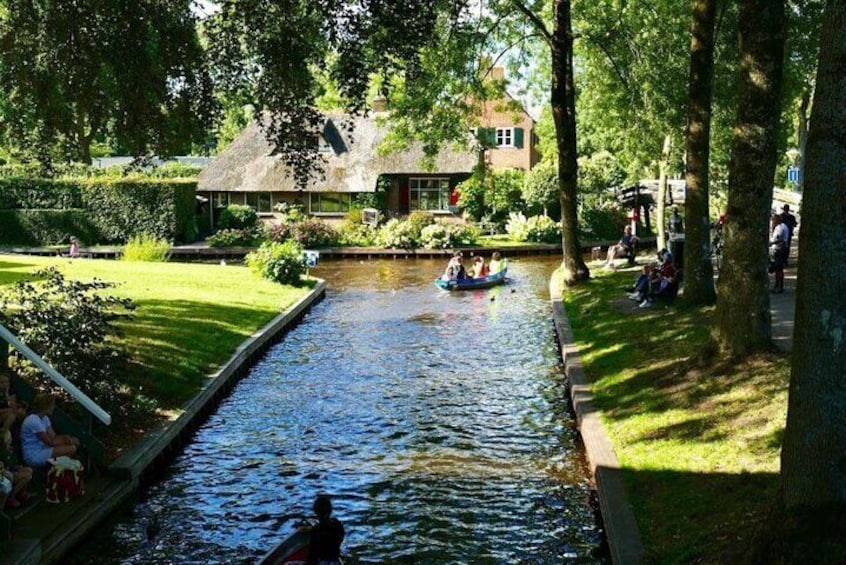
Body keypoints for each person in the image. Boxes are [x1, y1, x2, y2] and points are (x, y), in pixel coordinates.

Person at [20, 393, 80, 468]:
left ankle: (57, 471)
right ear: (45, 406)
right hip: (33, 455)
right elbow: (50, 442)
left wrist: (66, 437)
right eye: (52, 405)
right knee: (71, 449)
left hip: (43, 449)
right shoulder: (33, 420)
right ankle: (56, 472)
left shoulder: (44, 418)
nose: (53, 407)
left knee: (71, 445)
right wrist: (68, 440)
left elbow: (53, 436)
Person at [306, 494, 345, 565]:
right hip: (335, 561)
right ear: (330, 510)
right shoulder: (337, 524)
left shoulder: (316, 531)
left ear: (316, 512)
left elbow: (312, 557)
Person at [0, 430, 33, 510]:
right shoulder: (1, 452)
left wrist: (18, 467)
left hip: (12, 471)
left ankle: (21, 493)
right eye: (9, 437)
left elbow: (14, 463)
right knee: (28, 476)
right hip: (7, 474)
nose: (10, 438)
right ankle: (11, 496)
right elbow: (5, 467)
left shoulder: (11, 449)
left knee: (29, 470)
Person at [0, 368, 25, 433]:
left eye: (7, 382)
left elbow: (13, 407)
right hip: (3, 414)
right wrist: (8, 410)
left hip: (9, 413)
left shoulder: (11, 392)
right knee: (12, 416)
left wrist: (7, 395)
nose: (5, 384)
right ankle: (3, 434)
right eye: (2, 382)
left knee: (21, 412)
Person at [769, 214, 789, 294]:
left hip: (780, 249)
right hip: (779, 249)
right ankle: (777, 285)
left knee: (778, 269)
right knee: (778, 269)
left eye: (773, 220)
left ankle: (779, 286)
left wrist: (771, 243)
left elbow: (781, 239)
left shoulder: (780, 227)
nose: (772, 222)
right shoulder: (781, 227)